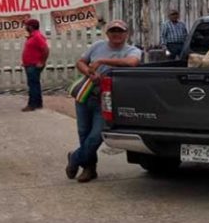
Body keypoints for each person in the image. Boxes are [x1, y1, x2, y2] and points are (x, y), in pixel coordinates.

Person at [66, 19, 141, 183]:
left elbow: (132, 63)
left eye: (120, 31)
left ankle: (75, 157)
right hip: (86, 96)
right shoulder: (97, 46)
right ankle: (89, 169)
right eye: (113, 31)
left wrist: (102, 61)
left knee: (96, 136)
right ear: (107, 34)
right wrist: (89, 72)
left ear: (126, 34)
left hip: (107, 101)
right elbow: (80, 62)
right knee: (84, 134)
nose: (116, 34)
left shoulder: (132, 50)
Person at [21, 18, 49, 112]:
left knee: (32, 85)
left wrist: (42, 62)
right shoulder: (32, 36)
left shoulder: (37, 36)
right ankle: (38, 103)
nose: (25, 27)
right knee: (35, 84)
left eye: (26, 25)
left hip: (34, 65)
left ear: (31, 27)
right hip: (30, 65)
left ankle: (32, 104)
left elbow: (45, 49)